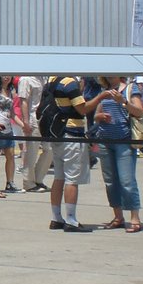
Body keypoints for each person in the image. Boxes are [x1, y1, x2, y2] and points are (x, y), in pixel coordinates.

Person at [45, 74, 106, 231]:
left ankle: (56, 217)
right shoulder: (70, 83)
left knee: (58, 177)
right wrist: (101, 97)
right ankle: (71, 220)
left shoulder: (52, 80)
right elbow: (83, 109)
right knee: (72, 179)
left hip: (56, 134)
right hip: (71, 134)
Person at [92, 76, 143, 232]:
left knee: (127, 181)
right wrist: (99, 117)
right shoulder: (104, 91)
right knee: (110, 181)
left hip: (124, 140)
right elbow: (96, 115)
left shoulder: (130, 89)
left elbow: (139, 111)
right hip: (105, 140)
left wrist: (123, 101)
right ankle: (118, 216)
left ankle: (135, 218)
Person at [18, 74, 52, 192]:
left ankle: (38, 178)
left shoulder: (44, 78)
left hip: (46, 117)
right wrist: (25, 122)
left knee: (49, 149)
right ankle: (28, 182)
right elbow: (23, 101)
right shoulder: (26, 79)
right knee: (32, 151)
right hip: (33, 118)